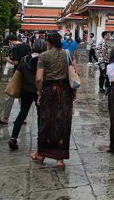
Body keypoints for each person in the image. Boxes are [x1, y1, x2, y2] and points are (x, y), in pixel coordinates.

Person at [31, 32, 75, 169]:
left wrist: (39, 92)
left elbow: (39, 78)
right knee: (63, 122)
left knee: (46, 121)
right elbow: (74, 73)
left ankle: (41, 154)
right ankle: (60, 159)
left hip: (49, 91)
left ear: (49, 43)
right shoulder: (68, 54)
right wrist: (73, 93)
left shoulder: (44, 56)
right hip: (65, 92)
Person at [8, 39, 45, 151]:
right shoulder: (44, 59)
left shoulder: (25, 59)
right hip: (40, 90)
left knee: (22, 114)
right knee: (41, 115)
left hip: (26, 90)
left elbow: (19, 72)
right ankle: (41, 140)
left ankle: (13, 137)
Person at [0, 34, 31, 125]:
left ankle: (5, 117)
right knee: (22, 96)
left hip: (17, 73)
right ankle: (23, 117)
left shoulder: (14, 48)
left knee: (10, 93)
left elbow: (15, 62)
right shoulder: (27, 46)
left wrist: (7, 59)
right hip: (27, 73)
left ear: (10, 41)